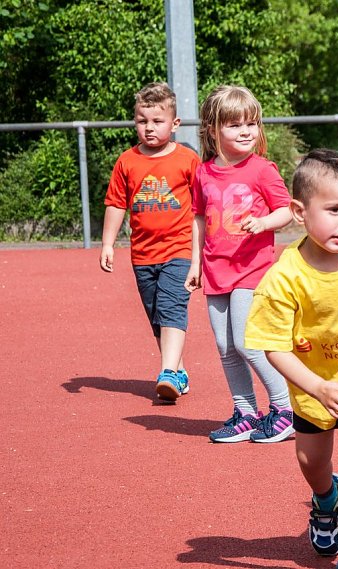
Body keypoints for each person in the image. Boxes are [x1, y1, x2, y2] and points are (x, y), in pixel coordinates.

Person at [244, 149, 338, 569]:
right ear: (299, 211)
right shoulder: (283, 278)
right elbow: (273, 346)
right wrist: (318, 387)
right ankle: (327, 498)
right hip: (314, 382)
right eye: (333, 210)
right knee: (312, 462)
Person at [184, 85, 296, 443]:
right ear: (213, 130)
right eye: (235, 125)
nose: (246, 131)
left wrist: (264, 224)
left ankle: (284, 408)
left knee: (248, 342)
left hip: (253, 268)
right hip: (216, 269)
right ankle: (246, 412)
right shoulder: (203, 173)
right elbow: (199, 219)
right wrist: (194, 263)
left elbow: (286, 210)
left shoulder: (262, 169)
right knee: (225, 346)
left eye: (252, 123)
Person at [99, 82, 200, 402]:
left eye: (157, 121)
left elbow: (201, 207)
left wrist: (200, 254)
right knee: (158, 315)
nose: (149, 128)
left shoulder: (187, 159)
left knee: (172, 306)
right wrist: (107, 244)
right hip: (142, 254)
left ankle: (168, 371)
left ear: (175, 123)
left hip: (179, 249)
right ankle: (178, 372)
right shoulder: (127, 161)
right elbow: (116, 203)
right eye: (143, 121)